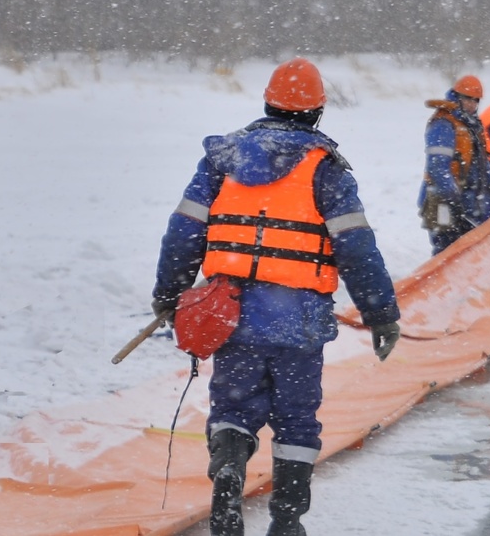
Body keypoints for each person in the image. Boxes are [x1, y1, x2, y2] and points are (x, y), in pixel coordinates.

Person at [150, 57, 402, 536]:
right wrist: (381, 313)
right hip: (298, 322)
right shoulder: (327, 171)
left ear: (267, 102)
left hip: (232, 315)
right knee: (296, 420)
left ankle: (226, 492)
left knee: (232, 409)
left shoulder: (221, 161)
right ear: (318, 113)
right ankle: (286, 522)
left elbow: (184, 231)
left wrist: (170, 292)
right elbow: (357, 248)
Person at [418, 75, 490, 254]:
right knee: (446, 252)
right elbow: (438, 167)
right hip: (442, 200)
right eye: (468, 98)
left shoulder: (471, 125)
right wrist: (452, 199)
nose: (472, 104)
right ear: (457, 96)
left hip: (469, 201)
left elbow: (482, 164)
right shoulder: (443, 124)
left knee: (469, 253)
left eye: (476, 100)